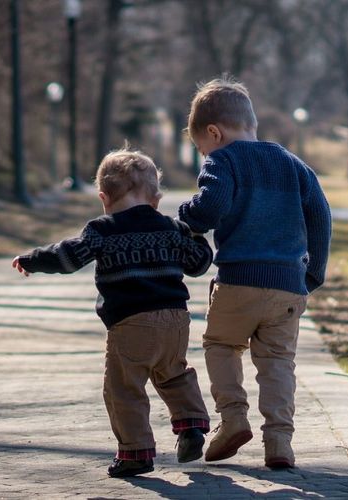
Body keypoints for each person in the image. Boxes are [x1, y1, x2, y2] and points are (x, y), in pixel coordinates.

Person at [12, 147, 213, 478]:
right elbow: (198, 264)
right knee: (174, 373)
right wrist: (197, 234)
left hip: (131, 322)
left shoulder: (101, 230)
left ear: (103, 197)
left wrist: (34, 259)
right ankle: (191, 426)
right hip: (176, 319)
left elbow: (68, 257)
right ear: (156, 198)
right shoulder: (169, 227)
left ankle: (135, 452)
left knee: (123, 387)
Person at [178, 78, 331, 469]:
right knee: (278, 361)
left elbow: (209, 209)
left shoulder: (223, 160)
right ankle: (279, 441)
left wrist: (186, 215)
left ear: (215, 132)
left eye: (201, 148)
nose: (204, 154)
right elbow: (321, 216)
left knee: (221, 345)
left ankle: (232, 419)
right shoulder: (294, 165)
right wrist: (313, 272)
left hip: (238, 280)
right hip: (287, 286)